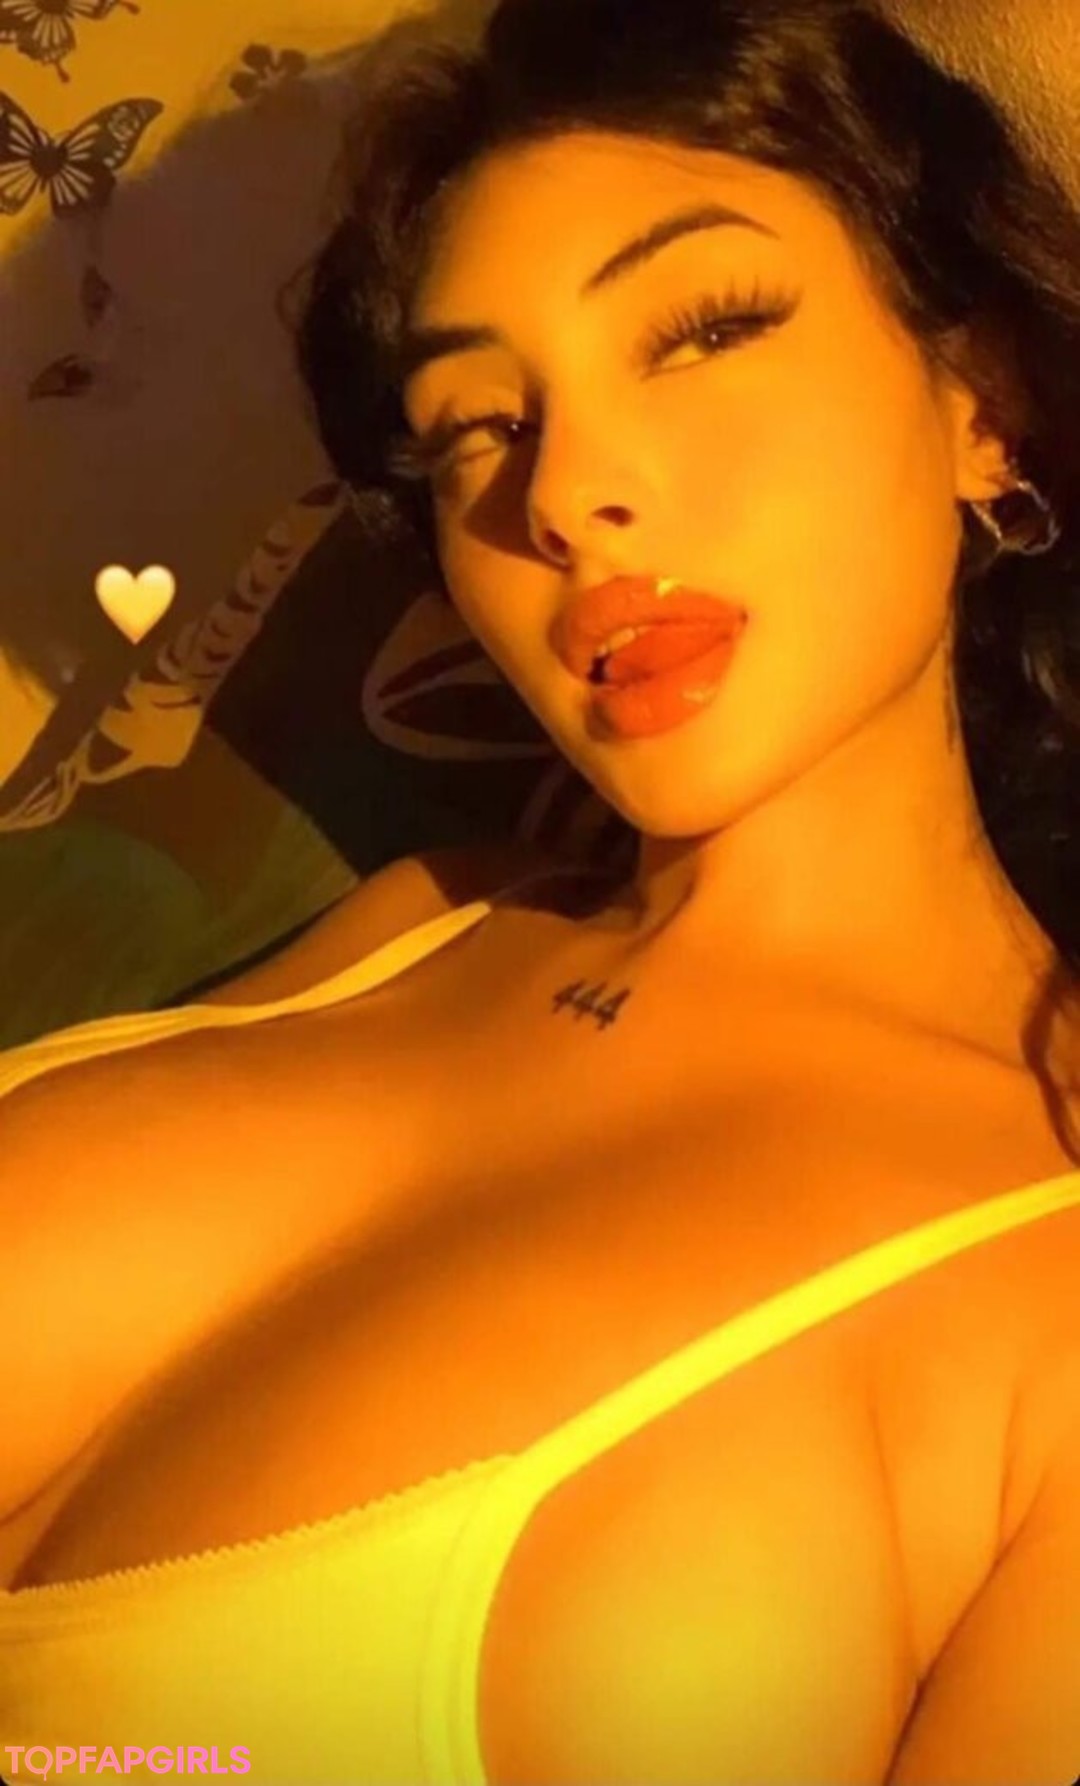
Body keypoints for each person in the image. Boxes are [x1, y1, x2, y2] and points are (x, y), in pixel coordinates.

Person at [2, 1, 1079, 1781]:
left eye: (704, 330)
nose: (565, 496)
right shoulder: (426, 912)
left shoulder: (1046, 1292)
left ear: (989, 406)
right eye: (476, 427)